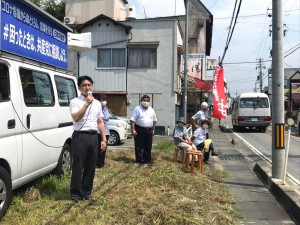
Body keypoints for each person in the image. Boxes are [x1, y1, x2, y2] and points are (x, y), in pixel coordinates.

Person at [69, 75, 107, 202]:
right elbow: (76, 118)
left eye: (89, 85)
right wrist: (86, 104)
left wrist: (103, 139)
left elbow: (100, 121)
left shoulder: (97, 103)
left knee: (91, 166)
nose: (87, 87)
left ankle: (86, 193)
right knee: (78, 166)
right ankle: (75, 193)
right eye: (84, 85)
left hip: (93, 137)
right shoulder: (75, 102)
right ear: (79, 87)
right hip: (80, 136)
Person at [130, 95, 157, 164]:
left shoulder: (151, 110)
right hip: (139, 129)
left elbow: (154, 120)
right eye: (144, 100)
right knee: (139, 146)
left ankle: (147, 160)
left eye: (147, 101)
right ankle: (139, 160)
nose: (146, 102)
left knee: (148, 145)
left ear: (149, 102)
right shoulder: (137, 109)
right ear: (141, 101)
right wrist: (133, 129)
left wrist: (153, 129)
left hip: (149, 130)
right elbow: (132, 120)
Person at [96, 94, 110, 168]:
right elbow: (101, 119)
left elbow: (107, 118)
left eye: (105, 100)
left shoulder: (106, 108)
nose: (104, 101)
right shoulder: (98, 108)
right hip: (99, 131)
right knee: (99, 148)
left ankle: (102, 162)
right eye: (102, 100)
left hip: (106, 131)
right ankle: (98, 163)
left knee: (104, 148)